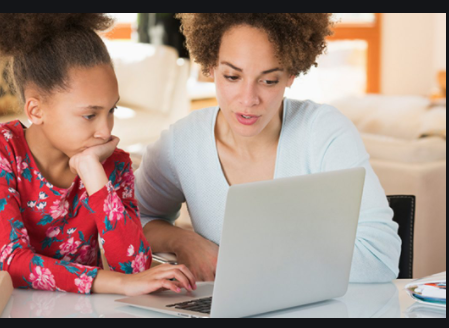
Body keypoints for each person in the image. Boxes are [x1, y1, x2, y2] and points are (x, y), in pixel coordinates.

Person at [136, 13, 402, 283]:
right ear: (211, 67)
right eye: (232, 76)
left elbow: (381, 258)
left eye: (269, 80)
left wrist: (254, 267)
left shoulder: (323, 133)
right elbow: (129, 221)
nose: (248, 99)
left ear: (291, 75)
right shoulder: (181, 144)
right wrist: (184, 241)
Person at [0, 13, 196, 296]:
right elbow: (10, 261)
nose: (105, 130)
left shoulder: (112, 163)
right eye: (89, 115)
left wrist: (94, 176)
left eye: (112, 110)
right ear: (36, 111)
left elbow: (135, 270)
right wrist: (119, 284)